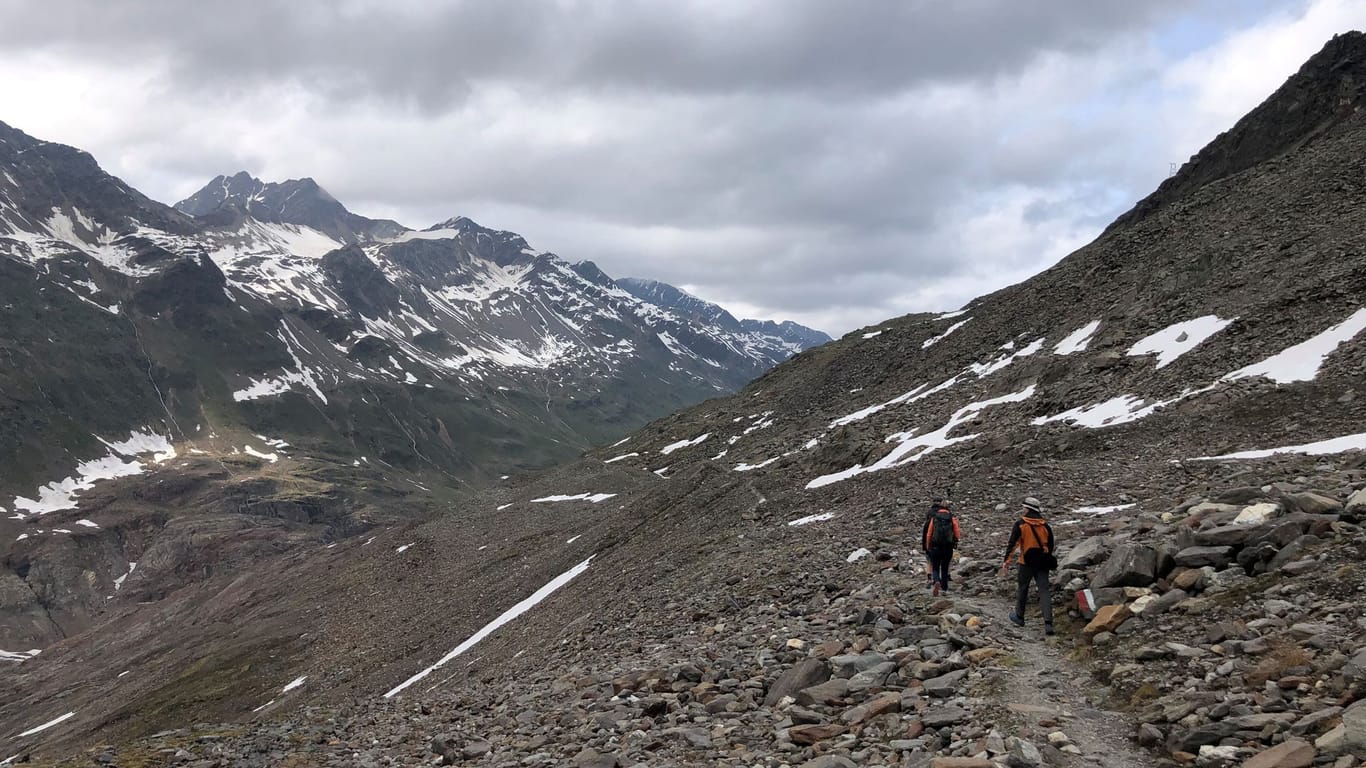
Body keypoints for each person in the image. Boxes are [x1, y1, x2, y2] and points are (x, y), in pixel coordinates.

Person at [1000, 497, 1056, 635]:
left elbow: (1012, 544)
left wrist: (1006, 561)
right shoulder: (1045, 525)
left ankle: (1019, 616)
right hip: (1042, 562)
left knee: (1023, 588)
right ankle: (1048, 623)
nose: (1023, 509)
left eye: (1024, 507)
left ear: (1027, 508)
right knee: (1044, 590)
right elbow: (1050, 545)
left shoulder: (1021, 524)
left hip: (1026, 561)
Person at [922, 500, 960, 596]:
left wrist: (928, 545)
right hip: (948, 547)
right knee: (945, 567)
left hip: (935, 546)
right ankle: (945, 588)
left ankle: (936, 581)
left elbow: (929, 534)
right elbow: (957, 533)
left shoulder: (934, 518)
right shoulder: (952, 518)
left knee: (935, 567)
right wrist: (955, 541)